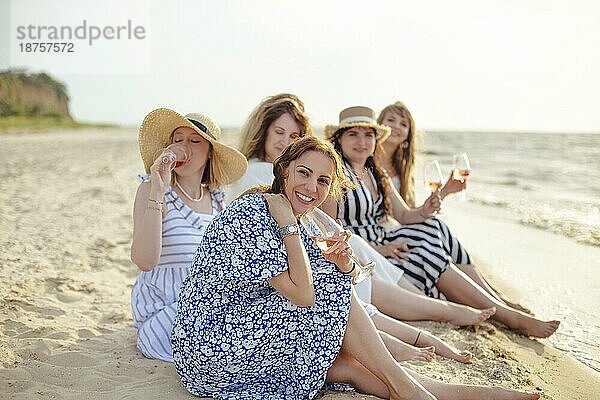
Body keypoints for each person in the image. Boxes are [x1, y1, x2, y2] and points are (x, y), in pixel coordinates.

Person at [172, 136, 540, 400]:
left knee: (345, 365)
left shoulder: (303, 219)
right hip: (208, 345)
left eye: (322, 180)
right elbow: (306, 294)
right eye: (303, 173)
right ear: (282, 170)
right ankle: (408, 390)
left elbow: (349, 278)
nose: (311, 186)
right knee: (331, 296)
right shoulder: (255, 213)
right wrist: (291, 231)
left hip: (242, 331)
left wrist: (344, 262)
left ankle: (439, 392)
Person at [228, 94, 491, 363]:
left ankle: (472, 303)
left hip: (314, 254)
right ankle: (445, 311)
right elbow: (302, 222)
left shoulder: (307, 171)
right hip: (293, 262)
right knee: (358, 265)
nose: (286, 142)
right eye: (279, 132)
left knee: (428, 231)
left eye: (294, 136)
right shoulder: (260, 172)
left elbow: (319, 218)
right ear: (263, 132)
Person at [324, 106, 560, 339]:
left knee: (432, 226)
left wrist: (426, 209)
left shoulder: (376, 173)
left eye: (368, 135)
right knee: (426, 243)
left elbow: (405, 216)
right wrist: (381, 249)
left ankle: (498, 305)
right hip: (364, 251)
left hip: (384, 242)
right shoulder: (334, 173)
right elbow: (331, 230)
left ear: (376, 139)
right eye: (353, 134)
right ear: (339, 138)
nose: (361, 142)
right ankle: (506, 315)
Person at [377, 101, 531, 314]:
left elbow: (412, 212)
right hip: (385, 234)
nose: (396, 127)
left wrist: (446, 191)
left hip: (402, 228)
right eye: (391, 120)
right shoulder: (369, 159)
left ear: (409, 133)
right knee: (433, 227)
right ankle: (495, 303)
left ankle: (496, 297)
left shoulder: (402, 168)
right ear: (379, 125)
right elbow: (405, 217)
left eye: (404, 124)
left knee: (436, 224)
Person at [129, 108, 248, 362]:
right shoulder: (152, 190)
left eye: (194, 141)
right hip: (166, 316)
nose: (183, 147)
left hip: (210, 310)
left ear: (210, 154)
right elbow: (144, 260)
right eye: (177, 139)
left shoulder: (218, 202)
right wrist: (158, 189)